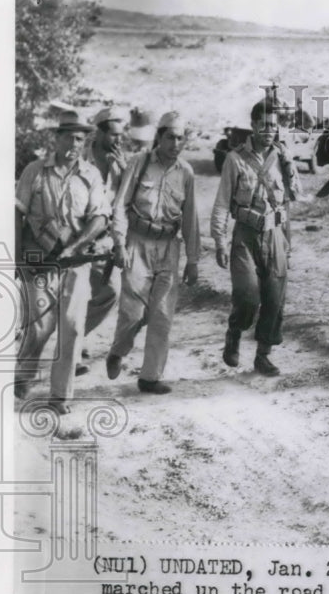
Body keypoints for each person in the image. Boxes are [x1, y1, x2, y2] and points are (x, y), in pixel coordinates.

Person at [14, 110, 110, 413]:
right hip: (39, 260)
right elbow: (17, 214)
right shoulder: (35, 171)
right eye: (68, 136)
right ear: (56, 138)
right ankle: (23, 373)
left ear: (85, 142)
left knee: (72, 326)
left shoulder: (91, 175)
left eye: (79, 138)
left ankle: (60, 397)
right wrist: (16, 257)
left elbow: (100, 217)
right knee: (40, 325)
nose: (73, 143)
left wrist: (77, 246)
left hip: (74, 262)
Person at [106, 111, 200, 394]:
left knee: (161, 315)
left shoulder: (186, 172)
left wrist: (193, 260)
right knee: (133, 312)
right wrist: (119, 243)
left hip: (169, 247)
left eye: (180, 137)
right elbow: (120, 204)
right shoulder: (140, 163)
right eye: (169, 136)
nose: (175, 142)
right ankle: (118, 351)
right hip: (137, 242)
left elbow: (190, 219)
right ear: (159, 137)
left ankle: (149, 377)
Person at [211, 99, 299, 376]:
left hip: (275, 235)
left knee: (274, 299)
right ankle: (235, 332)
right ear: (253, 126)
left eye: (273, 126)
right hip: (245, 237)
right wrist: (218, 240)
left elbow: (293, 196)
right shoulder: (235, 159)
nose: (268, 131)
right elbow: (223, 202)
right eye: (263, 125)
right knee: (248, 297)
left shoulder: (282, 156)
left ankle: (263, 355)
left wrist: (288, 163)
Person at [78, 107, 127, 373]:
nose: (119, 141)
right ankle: (70, 352)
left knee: (110, 292)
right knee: (72, 294)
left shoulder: (119, 164)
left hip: (105, 241)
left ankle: (75, 336)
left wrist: (126, 171)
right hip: (76, 237)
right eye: (114, 135)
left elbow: (125, 202)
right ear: (99, 132)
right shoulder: (80, 158)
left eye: (121, 135)